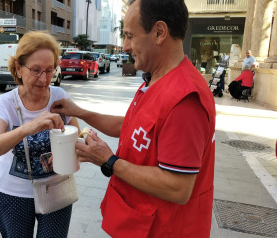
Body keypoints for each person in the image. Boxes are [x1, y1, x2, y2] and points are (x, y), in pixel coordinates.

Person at [51, 0, 216, 237]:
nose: (125, 46)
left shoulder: (184, 99)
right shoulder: (156, 80)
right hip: (139, 222)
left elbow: (177, 187)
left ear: (159, 32)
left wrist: (109, 161)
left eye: (130, 36)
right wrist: (79, 112)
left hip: (165, 229)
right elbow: (129, 126)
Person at [0, 31, 80, 238]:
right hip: (13, 194)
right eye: (35, 70)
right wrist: (28, 127)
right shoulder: (6, 103)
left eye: (49, 70)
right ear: (18, 67)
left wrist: (78, 147)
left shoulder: (59, 97)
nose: (44, 79)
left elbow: (77, 134)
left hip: (56, 188)